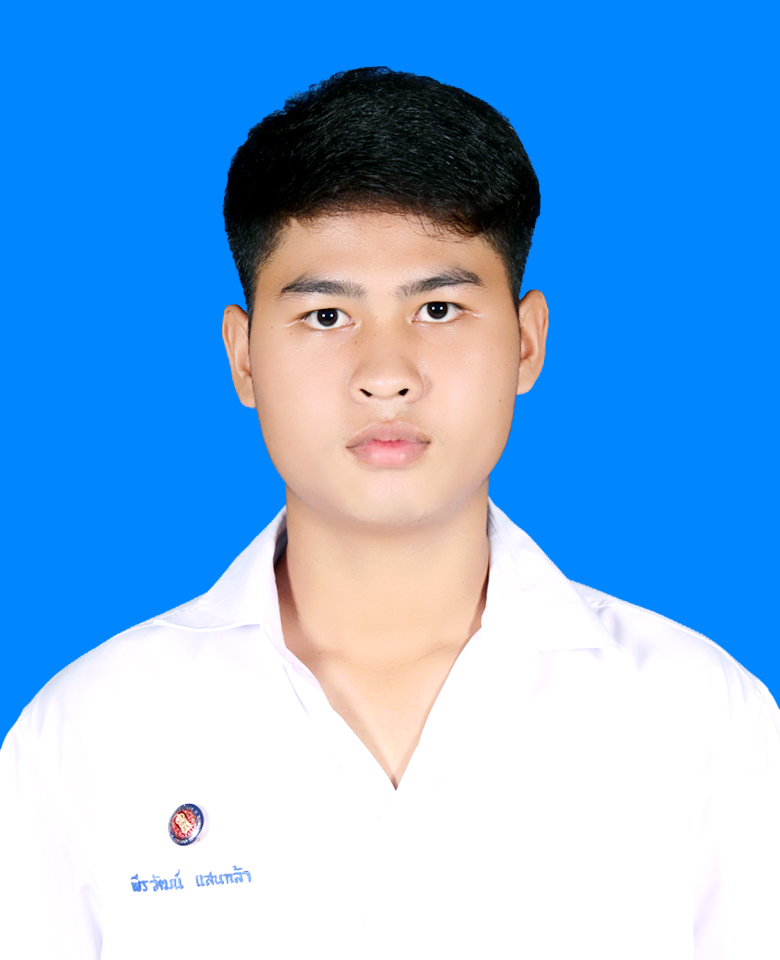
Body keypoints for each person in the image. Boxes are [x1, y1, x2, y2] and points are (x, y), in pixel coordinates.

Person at [1, 67, 778, 960]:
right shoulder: (88, 736)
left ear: (526, 343)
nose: (385, 374)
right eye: (327, 315)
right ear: (243, 357)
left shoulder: (699, 721)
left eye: (438, 309)